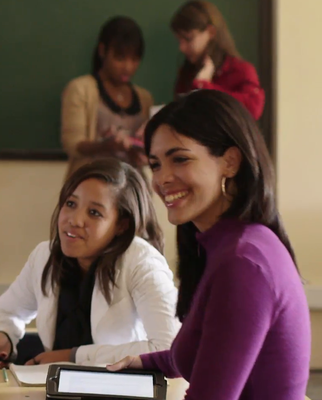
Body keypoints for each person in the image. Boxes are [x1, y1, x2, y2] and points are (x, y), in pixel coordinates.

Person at [108, 90, 311, 400]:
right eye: (156, 164)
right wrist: (142, 362)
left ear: (230, 162)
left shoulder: (243, 263)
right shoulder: (228, 245)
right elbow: (205, 351)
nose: (162, 179)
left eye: (180, 159)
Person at [0, 158, 180, 368]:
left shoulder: (142, 261)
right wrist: (3, 338)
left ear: (121, 225)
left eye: (94, 213)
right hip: (53, 387)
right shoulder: (44, 256)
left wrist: (73, 356)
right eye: (70, 204)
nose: (74, 220)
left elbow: (170, 348)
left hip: (120, 390)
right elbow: (8, 312)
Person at [61, 16, 153, 179]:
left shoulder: (144, 98)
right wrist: (105, 146)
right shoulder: (81, 89)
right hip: (91, 183)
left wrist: (142, 152)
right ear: (103, 51)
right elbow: (73, 144)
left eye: (134, 59)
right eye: (120, 57)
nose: (128, 67)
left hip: (132, 189)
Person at [171, 0, 264, 120]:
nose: (182, 48)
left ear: (210, 32)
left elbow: (253, 109)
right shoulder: (187, 72)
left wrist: (203, 87)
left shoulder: (241, 70)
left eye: (188, 39)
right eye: (179, 41)